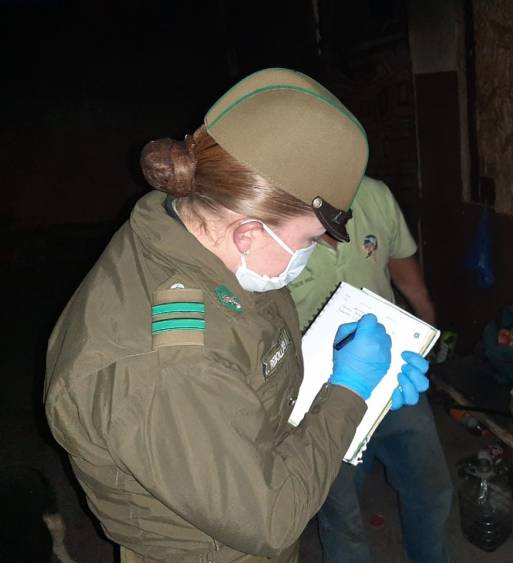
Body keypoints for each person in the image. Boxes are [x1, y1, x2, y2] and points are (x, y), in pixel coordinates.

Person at [43, 68, 431, 563]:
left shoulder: (204, 241)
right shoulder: (171, 367)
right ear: (249, 231)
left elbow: (251, 380)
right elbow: (272, 516)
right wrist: (348, 393)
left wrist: (352, 383)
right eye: (311, 240)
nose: (313, 254)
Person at [289, 178, 453, 563]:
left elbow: (398, 257)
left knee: (431, 489)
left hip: (393, 371)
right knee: (342, 516)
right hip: (318, 389)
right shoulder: (270, 207)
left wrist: (424, 313)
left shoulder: (374, 194)